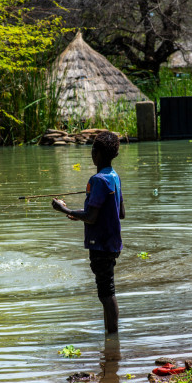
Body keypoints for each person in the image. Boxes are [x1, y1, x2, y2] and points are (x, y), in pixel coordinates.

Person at [52, 131, 125, 333]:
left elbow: (92, 217)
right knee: (106, 291)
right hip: (112, 243)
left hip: (100, 244)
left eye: (93, 149)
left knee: (106, 294)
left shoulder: (98, 180)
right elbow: (120, 212)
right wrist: (78, 214)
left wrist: (62, 209)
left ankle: (112, 337)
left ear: (97, 153)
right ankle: (110, 336)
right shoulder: (114, 176)